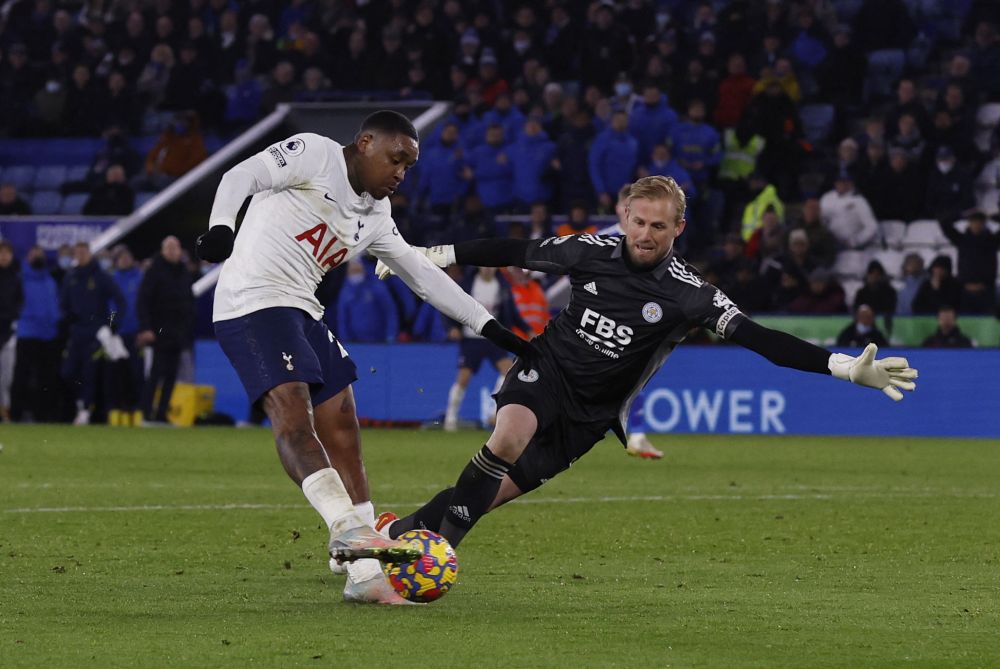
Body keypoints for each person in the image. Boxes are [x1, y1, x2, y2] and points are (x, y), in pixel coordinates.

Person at [374, 175, 917, 551]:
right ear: (624, 216)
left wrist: (843, 366)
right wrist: (435, 255)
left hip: (591, 417)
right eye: (639, 222)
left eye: (660, 226)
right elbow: (515, 250)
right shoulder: (591, 251)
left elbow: (760, 338)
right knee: (508, 437)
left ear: (678, 229)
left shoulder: (689, 293)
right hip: (547, 370)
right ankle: (434, 556)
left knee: (484, 497)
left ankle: (392, 535)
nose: (646, 234)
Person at [194, 110, 531, 604]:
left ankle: (362, 561)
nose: (401, 173)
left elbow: (422, 275)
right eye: (397, 159)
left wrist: (494, 329)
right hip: (252, 301)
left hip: (302, 309)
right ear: (366, 143)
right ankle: (347, 531)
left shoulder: (375, 216)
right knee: (294, 415)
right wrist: (221, 226)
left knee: (344, 421)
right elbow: (239, 175)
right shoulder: (315, 153)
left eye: (409, 167)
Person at [442, 266, 528, 432]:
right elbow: (449, 304)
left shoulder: (502, 286)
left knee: (508, 371)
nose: (488, 269)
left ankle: (493, 413)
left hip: (493, 339)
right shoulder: (467, 283)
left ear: (496, 269)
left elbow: (512, 313)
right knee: (463, 378)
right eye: (485, 266)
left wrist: (526, 329)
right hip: (471, 338)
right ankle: (450, 419)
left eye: (491, 266)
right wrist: (451, 327)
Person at [60, 242, 127, 426]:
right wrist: (68, 317)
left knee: (89, 373)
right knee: (68, 372)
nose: (81, 256)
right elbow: (63, 304)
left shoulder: (101, 277)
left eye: (84, 252)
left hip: (96, 333)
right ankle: (81, 404)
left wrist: (112, 324)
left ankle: (85, 410)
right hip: (76, 333)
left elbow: (119, 301)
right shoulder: (70, 277)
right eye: (78, 253)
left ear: (90, 254)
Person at [136, 236, 195, 424]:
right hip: (158, 330)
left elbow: (189, 301)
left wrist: (187, 328)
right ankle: (146, 413)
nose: (172, 251)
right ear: (162, 250)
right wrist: (146, 327)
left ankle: (162, 414)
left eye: (175, 247)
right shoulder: (154, 271)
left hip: (177, 332)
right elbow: (143, 301)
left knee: (171, 376)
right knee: (156, 374)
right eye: (168, 248)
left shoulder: (184, 272)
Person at [10, 246, 61, 422]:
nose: (37, 258)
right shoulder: (20, 278)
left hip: (48, 334)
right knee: (22, 375)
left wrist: (56, 321)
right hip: (27, 332)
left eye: (40, 255)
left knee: (45, 377)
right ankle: (16, 414)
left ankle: (43, 415)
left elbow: (54, 305)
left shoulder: (50, 281)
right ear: (27, 257)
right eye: (34, 255)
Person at [939, 212, 1000, 314]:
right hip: (964, 292)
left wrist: (991, 216)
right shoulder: (961, 240)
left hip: (986, 292)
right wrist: (962, 215)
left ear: (984, 224)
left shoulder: (992, 241)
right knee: (965, 324)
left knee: (988, 325)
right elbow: (944, 223)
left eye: (980, 222)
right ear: (969, 223)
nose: (977, 225)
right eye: (973, 221)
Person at [0, 241, 22, 422]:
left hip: (8, 332)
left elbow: (20, 303)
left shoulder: (16, 278)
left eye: (7, 253)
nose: (4, 256)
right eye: (1, 253)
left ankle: (5, 412)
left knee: (6, 378)